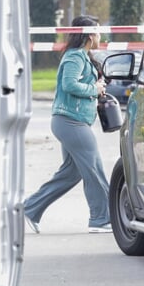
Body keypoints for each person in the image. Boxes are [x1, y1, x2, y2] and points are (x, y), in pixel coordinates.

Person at [22, 16, 111, 234]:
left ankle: (29, 209)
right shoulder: (75, 57)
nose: (101, 36)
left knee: (71, 173)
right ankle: (101, 219)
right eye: (98, 32)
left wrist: (96, 85)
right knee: (94, 169)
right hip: (70, 121)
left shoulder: (82, 56)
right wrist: (95, 89)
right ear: (89, 35)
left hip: (72, 121)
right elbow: (69, 84)